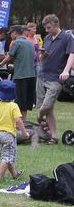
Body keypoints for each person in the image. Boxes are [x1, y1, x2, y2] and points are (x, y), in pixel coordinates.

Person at [36, 14, 74, 145]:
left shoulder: (67, 38)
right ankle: (53, 136)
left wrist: (66, 70)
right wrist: (42, 55)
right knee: (48, 108)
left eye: (48, 28)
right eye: (45, 28)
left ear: (56, 24)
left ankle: (39, 117)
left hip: (55, 78)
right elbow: (44, 56)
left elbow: (71, 55)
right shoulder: (47, 37)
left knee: (45, 106)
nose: (46, 30)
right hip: (42, 76)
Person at [0, 79, 24, 182]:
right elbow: (18, 120)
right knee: (7, 158)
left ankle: (15, 174)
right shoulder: (13, 106)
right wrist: (25, 133)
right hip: (8, 135)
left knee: (6, 156)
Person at [0, 25, 37, 119]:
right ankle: (24, 121)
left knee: (19, 101)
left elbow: (9, 57)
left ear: (15, 33)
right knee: (26, 102)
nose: (10, 35)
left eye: (11, 33)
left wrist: (0, 64)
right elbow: (25, 59)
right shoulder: (30, 43)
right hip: (32, 76)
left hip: (21, 76)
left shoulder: (16, 43)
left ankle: (19, 124)